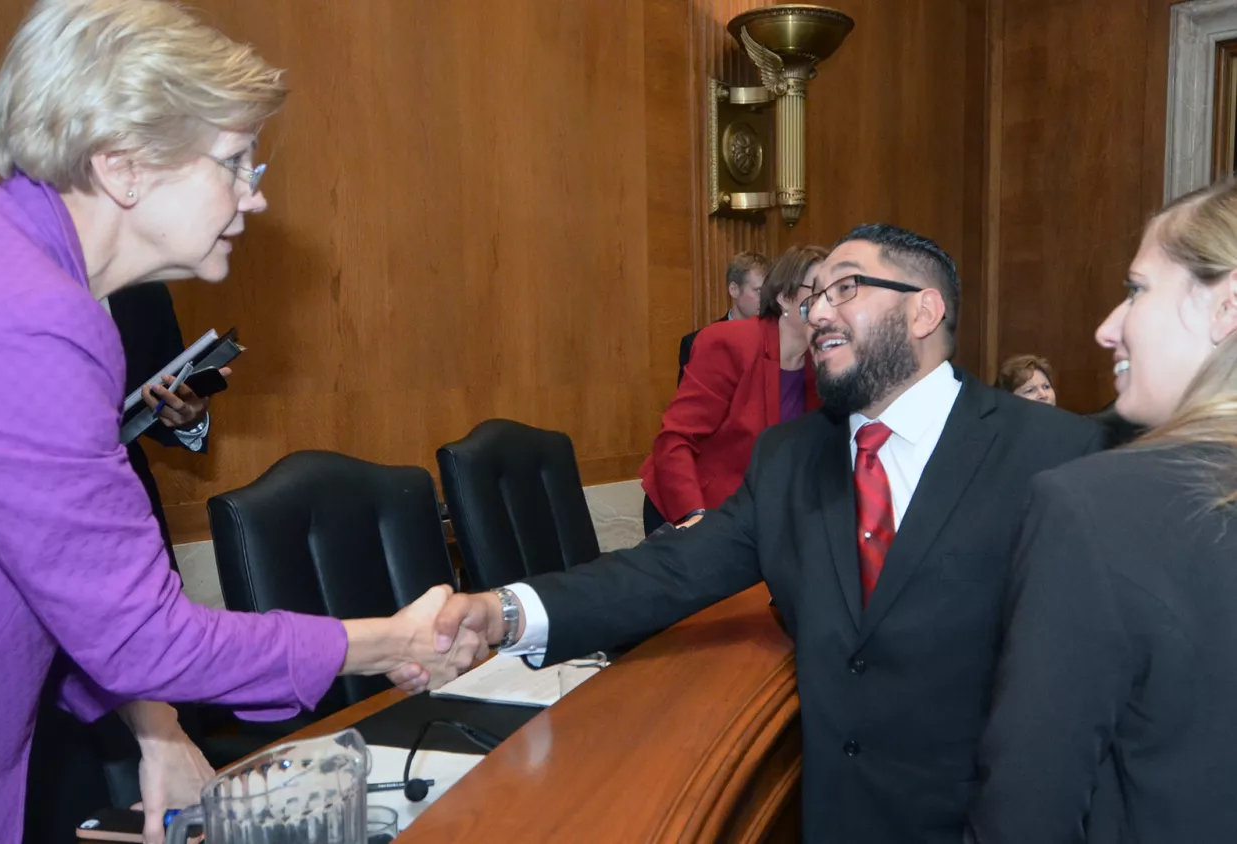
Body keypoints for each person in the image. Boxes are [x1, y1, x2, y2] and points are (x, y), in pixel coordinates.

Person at [0, 3, 481, 843]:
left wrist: (154, 728)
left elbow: (61, 575)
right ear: (125, 169)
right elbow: (137, 631)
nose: (255, 196)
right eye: (235, 161)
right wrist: (383, 642)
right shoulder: (22, 320)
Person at [429, 223, 1104, 844]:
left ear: (924, 311)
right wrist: (503, 611)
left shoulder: (1057, 455)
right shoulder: (788, 458)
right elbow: (667, 571)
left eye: (846, 288)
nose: (816, 313)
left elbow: (1093, 692)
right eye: (813, 296)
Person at [966, 181, 1237, 842]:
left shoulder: (1092, 508)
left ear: (1226, 308)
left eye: (1138, 289)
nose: (1106, 327)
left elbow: (1025, 816)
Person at [23, 282, 228, 844]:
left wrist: (188, 415)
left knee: (164, 682)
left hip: (134, 517)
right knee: (62, 743)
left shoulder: (144, 293)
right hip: (39, 530)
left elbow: (176, 415)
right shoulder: (10, 284)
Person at [642, 245, 826, 534]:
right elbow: (675, 439)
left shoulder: (821, 365)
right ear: (784, 297)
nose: (830, 305)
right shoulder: (730, 343)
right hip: (693, 508)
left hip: (761, 520)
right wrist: (694, 517)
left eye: (838, 293)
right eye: (818, 291)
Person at [678, 251, 769, 383]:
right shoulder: (695, 343)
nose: (766, 299)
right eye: (759, 291)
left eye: (769, 292)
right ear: (734, 290)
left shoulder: (777, 339)